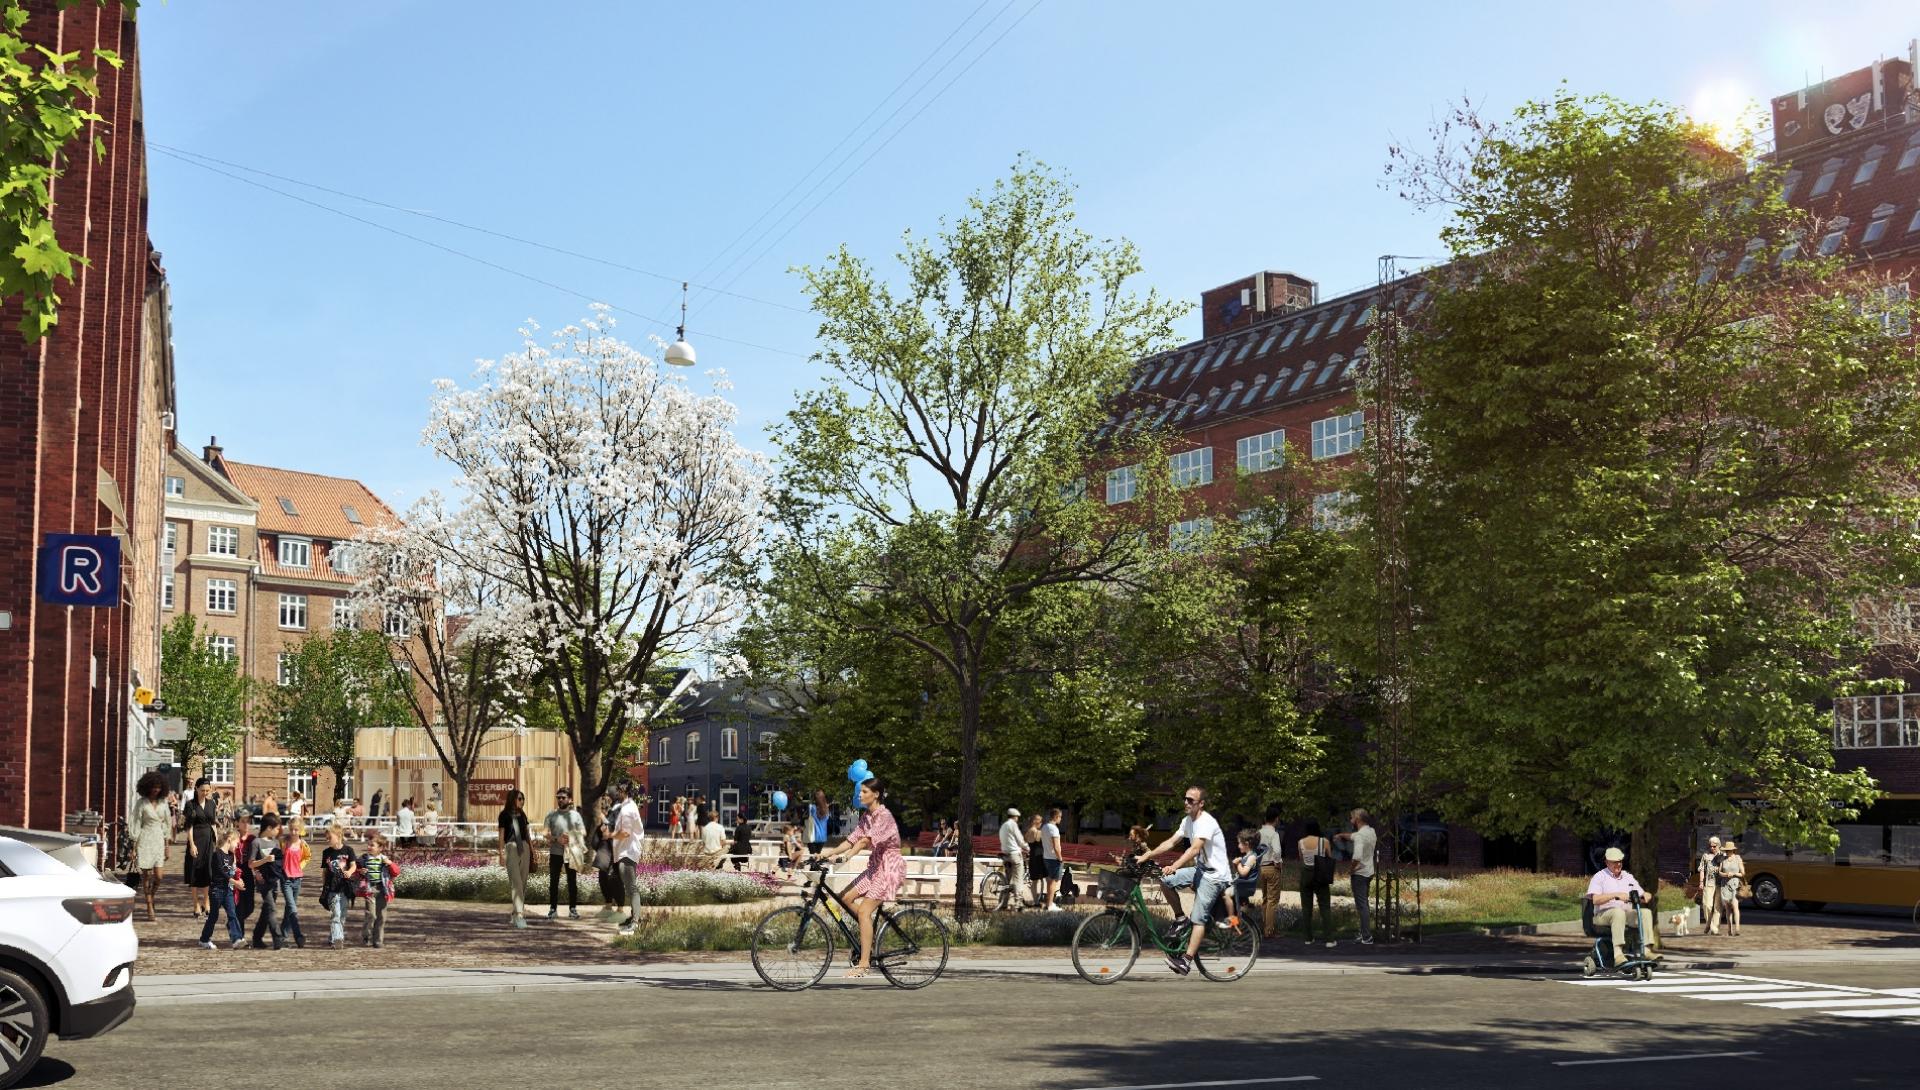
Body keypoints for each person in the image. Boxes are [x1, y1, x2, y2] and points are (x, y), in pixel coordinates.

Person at [1133, 785, 1232, 976]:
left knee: (1198, 917)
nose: (1186, 803)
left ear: (1201, 804)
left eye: (1191, 800)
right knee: (1165, 879)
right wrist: (1147, 856)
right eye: (1185, 799)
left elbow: (1194, 849)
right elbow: (1171, 842)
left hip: (1215, 875)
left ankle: (1186, 961)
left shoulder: (1206, 822)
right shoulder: (1187, 821)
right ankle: (1180, 918)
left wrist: (1175, 866)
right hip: (1201, 869)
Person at [816, 778, 905, 979]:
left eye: (864, 791)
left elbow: (865, 841)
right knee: (844, 898)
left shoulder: (884, 816)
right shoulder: (866, 816)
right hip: (874, 868)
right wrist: (826, 854)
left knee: (864, 912)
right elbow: (852, 839)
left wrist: (846, 857)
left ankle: (864, 964)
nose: (860, 794)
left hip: (889, 869)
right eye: (860, 791)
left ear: (876, 794)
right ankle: (868, 932)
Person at [1586, 846, 1660, 967]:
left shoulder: (1627, 877)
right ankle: (1618, 955)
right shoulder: (1600, 877)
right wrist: (1615, 895)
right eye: (1614, 862)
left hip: (1625, 913)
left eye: (1620, 861)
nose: (1618, 864)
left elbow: (1640, 893)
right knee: (1617, 912)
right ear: (1607, 862)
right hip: (1603, 914)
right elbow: (1595, 899)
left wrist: (1645, 894)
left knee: (1645, 913)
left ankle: (1646, 950)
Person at [1333, 808, 1378, 945]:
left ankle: (1366, 936)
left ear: (1357, 819)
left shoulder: (1360, 836)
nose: (1350, 820)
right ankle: (1364, 932)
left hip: (1359, 873)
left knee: (1362, 905)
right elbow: (1352, 836)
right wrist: (1341, 835)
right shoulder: (1371, 832)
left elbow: (1357, 856)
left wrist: (1351, 870)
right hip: (1368, 871)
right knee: (1364, 904)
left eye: (1352, 817)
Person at [131, 771, 172, 921]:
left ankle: (151, 896)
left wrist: (167, 845)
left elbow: (167, 823)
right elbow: (135, 823)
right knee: (146, 875)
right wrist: (133, 847)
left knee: (159, 876)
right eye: (153, 787)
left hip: (159, 840)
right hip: (144, 839)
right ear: (147, 787)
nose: (156, 790)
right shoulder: (141, 803)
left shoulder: (163, 803)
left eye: (159, 787)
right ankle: (149, 904)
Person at [198, 828, 246, 950]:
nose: (237, 846)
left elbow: (232, 872)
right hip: (216, 891)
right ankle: (204, 939)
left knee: (232, 914)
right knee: (214, 916)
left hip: (227, 890)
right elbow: (222, 872)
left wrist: (238, 879)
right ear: (229, 840)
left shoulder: (231, 856)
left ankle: (237, 939)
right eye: (236, 843)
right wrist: (235, 882)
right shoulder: (217, 855)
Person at [544, 787, 587, 919]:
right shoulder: (551, 815)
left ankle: (573, 909)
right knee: (554, 882)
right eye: (559, 797)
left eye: (563, 797)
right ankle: (553, 909)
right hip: (555, 852)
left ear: (570, 799)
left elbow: (584, 832)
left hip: (571, 853)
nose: (561, 800)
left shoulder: (575, 815)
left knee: (572, 881)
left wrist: (571, 836)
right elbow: (545, 833)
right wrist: (557, 839)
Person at [610, 782, 645, 935]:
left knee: (632, 888)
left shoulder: (628, 809)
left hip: (628, 853)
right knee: (630, 888)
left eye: (618, 789)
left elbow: (625, 833)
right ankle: (633, 918)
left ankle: (635, 922)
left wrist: (609, 835)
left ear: (624, 791)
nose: (616, 792)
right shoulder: (626, 807)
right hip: (626, 852)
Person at [249, 814, 286, 949]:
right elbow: (251, 864)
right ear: (269, 828)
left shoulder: (275, 843)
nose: (278, 831)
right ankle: (278, 938)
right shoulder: (256, 842)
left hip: (274, 882)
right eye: (277, 828)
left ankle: (257, 938)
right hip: (263, 883)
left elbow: (278, 862)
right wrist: (265, 860)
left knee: (267, 910)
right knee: (271, 909)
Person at [182, 777, 217, 919]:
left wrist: (218, 842)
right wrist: (192, 844)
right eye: (202, 790)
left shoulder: (212, 803)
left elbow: (213, 823)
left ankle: (206, 901)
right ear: (196, 789)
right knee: (194, 872)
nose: (205, 793)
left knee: (208, 871)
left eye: (207, 790)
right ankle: (196, 904)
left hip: (209, 841)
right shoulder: (190, 805)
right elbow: (189, 826)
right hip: (196, 840)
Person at [498, 788, 533, 928]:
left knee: (523, 883)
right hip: (511, 848)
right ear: (512, 799)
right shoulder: (504, 815)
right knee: (516, 882)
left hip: (524, 848)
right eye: (519, 798)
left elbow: (527, 834)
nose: (522, 801)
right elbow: (501, 835)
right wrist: (501, 853)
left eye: (523, 798)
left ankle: (515, 914)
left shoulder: (523, 815)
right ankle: (519, 915)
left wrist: (532, 850)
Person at [1297, 818, 1335, 948]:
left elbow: (1301, 859)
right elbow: (1329, 857)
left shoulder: (1301, 842)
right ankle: (1329, 939)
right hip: (1320, 874)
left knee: (1306, 907)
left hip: (1306, 874)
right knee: (1325, 906)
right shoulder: (1324, 841)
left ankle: (1308, 937)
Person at [358, 833, 400, 947]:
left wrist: (390, 863)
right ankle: (366, 934)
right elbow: (355, 869)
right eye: (368, 845)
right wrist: (360, 871)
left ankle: (378, 940)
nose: (369, 847)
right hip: (369, 889)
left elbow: (396, 872)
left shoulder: (384, 859)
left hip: (382, 889)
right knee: (371, 915)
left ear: (380, 848)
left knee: (381, 915)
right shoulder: (364, 859)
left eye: (372, 845)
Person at [320, 826, 358, 948]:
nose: (327, 840)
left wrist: (350, 872)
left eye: (329, 837)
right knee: (336, 914)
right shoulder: (326, 852)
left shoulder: (348, 850)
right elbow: (325, 872)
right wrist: (323, 887)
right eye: (326, 838)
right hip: (332, 888)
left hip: (345, 888)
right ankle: (338, 939)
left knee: (342, 916)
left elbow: (353, 865)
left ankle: (332, 937)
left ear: (339, 836)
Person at [591, 797, 624, 918]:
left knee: (615, 880)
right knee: (603, 879)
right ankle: (608, 905)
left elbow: (612, 830)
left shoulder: (617, 812)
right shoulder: (604, 817)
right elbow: (598, 837)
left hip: (615, 851)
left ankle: (620, 909)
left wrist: (603, 821)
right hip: (605, 852)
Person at [1257, 808, 1287, 940]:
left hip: (1261, 867)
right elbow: (1277, 850)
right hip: (1272, 867)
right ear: (1276, 819)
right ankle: (1269, 931)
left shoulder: (1259, 833)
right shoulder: (1274, 834)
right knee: (1272, 901)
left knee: (1265, 899)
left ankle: (1265, 927)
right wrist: (1277, 862)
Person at [277, 828, 307, 949]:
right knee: (292, 908)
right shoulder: (284, 842)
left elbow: (307, 857)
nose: (294, 832)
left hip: (297, 879)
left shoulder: (303, 844)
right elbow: (279, 856)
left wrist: (299, 867)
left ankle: (282, 935)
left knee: (289, 909)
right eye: (292, 829)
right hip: (286, 879)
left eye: (296, 829)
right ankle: (298, 935)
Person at [997, 807, 1029, 908]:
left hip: (1005, 854)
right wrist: (1027, 848)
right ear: (1015, 817)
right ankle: (1018, 903)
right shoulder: (1013, 825)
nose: (1017, 819)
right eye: (1017, 817)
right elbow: (1020, 840)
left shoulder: (1003, 826)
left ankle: (1003, 903)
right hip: (1014, 855)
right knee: (1018, 878)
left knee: (1007, 879)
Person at [1228, 828, 1263, 918]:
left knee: (1225, 894)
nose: (1238, 845)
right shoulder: (1249, 856)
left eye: (1239, 843)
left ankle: (1231, 917)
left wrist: (1238, 863)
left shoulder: (1251, 857)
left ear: (1246, 844)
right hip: (1241, 885)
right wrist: (1236, 865)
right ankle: (1241, 907)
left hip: (1242, 887)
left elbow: (1243, 873)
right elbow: (1241, 872)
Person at [1698, 836, 1726, 935]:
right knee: (1707, 905)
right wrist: (1701, 882)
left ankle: (1714, 928)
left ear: (1718, 846)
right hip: (1708, 884)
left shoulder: (1723, 855)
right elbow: (1702, 869)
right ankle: (1709, 923)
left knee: (1717, 907)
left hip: (1720, 884)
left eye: (1714, 846)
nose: (1712, 848)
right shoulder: (1706, 855)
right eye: (1710, 846)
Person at [1040, 808, 1065, 911]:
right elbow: (1056, 846)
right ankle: (1050, 905)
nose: (1061, 819)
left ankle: (1049, 903)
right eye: (1060, 817)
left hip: (1046, 857)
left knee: (1049, 882)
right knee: (1053, 883)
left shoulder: (1044, 827)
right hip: (1053, 858)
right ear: (1056, 817)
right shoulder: (1054, 829)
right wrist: (1060, 858)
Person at [1718, 841, 1745, 936]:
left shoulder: (1738, 859)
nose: (1728, 852)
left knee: (1735, 905)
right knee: (1728, 908)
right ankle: (1729, 929)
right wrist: (1725, 874)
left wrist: (1733, 874)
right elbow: (1719, 872)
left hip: (1735, 885)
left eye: (1730, 850)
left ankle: (1737, 929)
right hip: (1725, 886)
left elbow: (1742, 873)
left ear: (1733, 850)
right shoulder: (1723, 860)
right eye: (1727, 850)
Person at [1025, 813, 1045, 904]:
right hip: (1038, 858)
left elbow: (1026, 842)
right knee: (1040, 879)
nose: (1041, 823)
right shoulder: (1037, 832)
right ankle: (1038, 901)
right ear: (1034, 821)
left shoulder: (1028, 831)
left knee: (1034, 881)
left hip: (1032, 857)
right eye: (1040, 821)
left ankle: (1036, 901)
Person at [808, 789, 830, 858]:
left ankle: (813, 867)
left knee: (813, 857)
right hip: (822, 837)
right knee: (817, 856)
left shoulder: (811, 807)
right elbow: (827, 819)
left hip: (813, 836)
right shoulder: (826, 809)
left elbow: (809, 819)